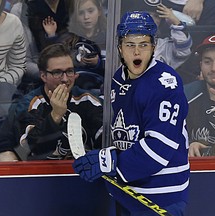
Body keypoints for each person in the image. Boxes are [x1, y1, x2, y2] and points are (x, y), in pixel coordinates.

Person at [73, 11, 189, 215]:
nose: (137, 52)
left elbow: (158, 148)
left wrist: (108, 160)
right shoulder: (119, 78)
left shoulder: (165, 84)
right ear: (120, 48)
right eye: (130, 45)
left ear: (153, 46)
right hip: (126, 190)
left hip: (161, 196)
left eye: (143, 44)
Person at [0, 43, 103, 161]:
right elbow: (33, 147)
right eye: (57, 72)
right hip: (41, 173)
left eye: (69, 71)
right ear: (43, 76)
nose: (65, 79)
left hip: (82, 172)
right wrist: (55, 116)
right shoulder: (30, 104)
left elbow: (104, 140)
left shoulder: (87, 100)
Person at [144, 3, 193, 70]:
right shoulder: (125, 43)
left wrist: (176, 23)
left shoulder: (165, 46)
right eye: (146, 15)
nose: (151, 20)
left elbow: (183, 52)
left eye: (156, 16)